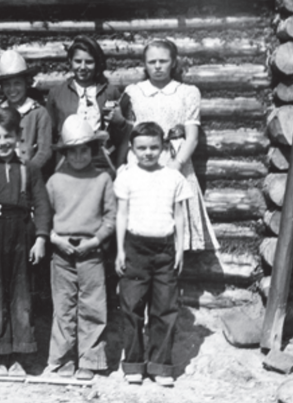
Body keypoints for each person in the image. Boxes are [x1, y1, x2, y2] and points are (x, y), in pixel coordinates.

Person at [0, 107, 51, 376]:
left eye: (8, 136)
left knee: (22, 293)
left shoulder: (30, 169)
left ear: (18, 136)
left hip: (23, 233)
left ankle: (20, 353)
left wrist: (40, 238)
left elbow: (41, 204)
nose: (2, 142)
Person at [120, 38, 218, 251]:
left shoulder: (187, 92)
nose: (157, 66)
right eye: (152, 61)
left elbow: (192, 136)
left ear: (173, 62)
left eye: (163, 61)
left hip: (175, 161)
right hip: (141, 163)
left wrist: (176, 165)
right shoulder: (133, 92)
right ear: (144, 64)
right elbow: (127, 134)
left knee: (173, 226)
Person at [114, 121, 191, 387]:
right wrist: (120, 250)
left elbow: (180, 215)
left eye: (154, 147)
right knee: (132, 307)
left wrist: (180, 249)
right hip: (135, 248)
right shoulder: (126, 176)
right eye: (142, 148)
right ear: (133, 149)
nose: (148, 152)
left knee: (165, 308)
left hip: (165, 250)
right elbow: (121, 214)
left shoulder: (173, 177)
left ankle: (160, 365)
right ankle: (134, 363)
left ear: (163, 148)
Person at [45, 114, 115, 380]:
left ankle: (90, 359)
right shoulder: (55, 180)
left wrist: (96, 240)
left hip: (92, 251)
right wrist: (54, 238)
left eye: (84, 150)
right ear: (65, 153)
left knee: (92, 306)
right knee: (63, 306)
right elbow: (42, 216)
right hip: (61, 251)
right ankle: (64, 358)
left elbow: (111, 216)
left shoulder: (102, 179)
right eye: (72, 152)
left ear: (93, 150)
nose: (78, 157)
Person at [46, 35, 130, 174]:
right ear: (70, 62)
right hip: (68, 159)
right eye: (78, 61)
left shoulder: (110, 92)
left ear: (97, 63)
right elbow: (51, 132)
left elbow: (122, 134)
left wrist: (119, 122)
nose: (83, 67)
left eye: (89, 62)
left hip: (101, 159)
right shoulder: (57, 93)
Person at [0, 50, 53, 171]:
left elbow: (44, 152)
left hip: (31, 175)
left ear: (26, 84)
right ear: (2, 87)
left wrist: (26, 172)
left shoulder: (38, 113)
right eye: (7, 84)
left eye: (17, 83)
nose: (12, 89)